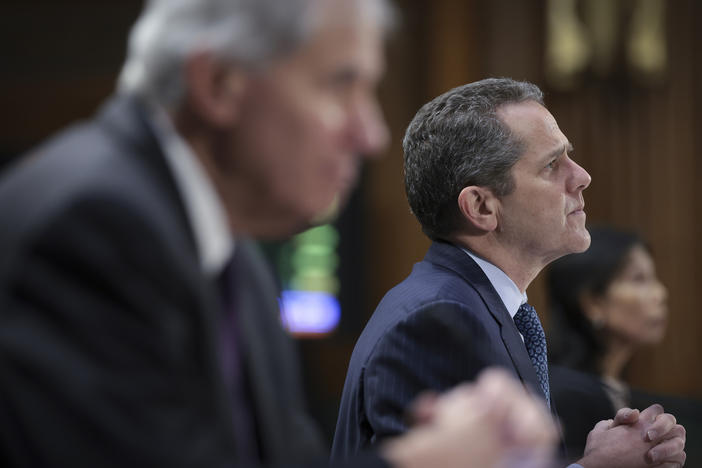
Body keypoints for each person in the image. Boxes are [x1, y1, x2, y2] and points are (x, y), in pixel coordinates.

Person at [0, 1, 562, 467]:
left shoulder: (231, 253)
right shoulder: (96, 227)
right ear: (219, 83)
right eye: (342, 86)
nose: (370, 135)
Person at [332, 78, 687, 467]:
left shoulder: (472, 307)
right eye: (553, 164)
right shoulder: (435, 325)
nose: (581, 175)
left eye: (569, 155)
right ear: (482, 207)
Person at [547, 226, 701, 463]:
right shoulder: (565, 398)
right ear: (593, 302)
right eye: (639, 279)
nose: (661, 293)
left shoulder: (614, 390)